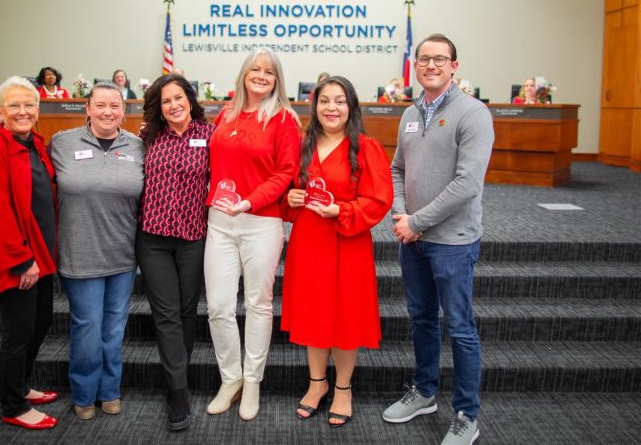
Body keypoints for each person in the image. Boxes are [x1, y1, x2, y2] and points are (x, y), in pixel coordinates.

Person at [382, 34, 494, 445]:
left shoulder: (473, 113)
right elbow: (396, 167)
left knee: (460, 327)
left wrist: (418, 221)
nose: (431, 65)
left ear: (454, 66)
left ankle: (467, 414)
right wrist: (400, 213)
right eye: (424, 59)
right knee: (422, 319)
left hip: (453, 241)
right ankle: (425, 391)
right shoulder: (410, 113)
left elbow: (467, 184)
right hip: (412, 237)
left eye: (439, 59)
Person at [281, 75, 393, 428]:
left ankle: (343, 388)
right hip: (310, 241)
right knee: (313, 313)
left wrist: (342, 211)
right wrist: (292, 198)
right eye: (325, 100)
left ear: (351, 106)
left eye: (340, 101)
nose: (332, 108)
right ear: (314, 106)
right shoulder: (302, 144)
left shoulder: (366, 147)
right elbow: (287, 192)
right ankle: (317, 383)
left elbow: (378, 201)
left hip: (348, 242)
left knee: (345, 316)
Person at [204, 47, 301, 421]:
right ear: (244, 73)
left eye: (269, 72)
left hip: (261, 221)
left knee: (258, 304)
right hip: (220, 222)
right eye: (255, 69)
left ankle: (253, 379)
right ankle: (230, 378)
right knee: (218, 306)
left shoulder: (284, 119)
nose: (261, 75)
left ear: (278, 80)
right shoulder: (225, 114)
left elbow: (285, 172)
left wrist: (250, 201)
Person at [48, 81, 145, 420]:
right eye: (100, 105)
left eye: (115, 106)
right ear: (87, 108)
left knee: (114, 327)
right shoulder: (62, 143)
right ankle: (84, 393)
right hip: (79, 254)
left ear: (124, 110)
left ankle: (110, 391)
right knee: (87, 326)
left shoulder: (137, 147)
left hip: (121, 255)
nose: (108, 112)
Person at [0, 76, 58, 430]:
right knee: (18, 333)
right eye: (14, 105)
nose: (23, 111)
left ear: (38, 109)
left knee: (40, 323)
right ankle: (13, 405)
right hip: (17, 257)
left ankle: (20, 385)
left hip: (41, 253)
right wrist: (22, 261)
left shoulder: (34, 143)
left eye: (29, 104)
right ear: (0, 110)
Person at [135, 73, 215, 431]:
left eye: (178, 98)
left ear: (190, 99)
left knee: (186, 310)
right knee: (166, 314)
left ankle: (176, 372)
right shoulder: (146, 137)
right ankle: (178, 391)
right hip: (152, 239)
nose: (174, 105)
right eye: (166, 101)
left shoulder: (210, 135)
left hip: (194, 236)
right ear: (159, 107)